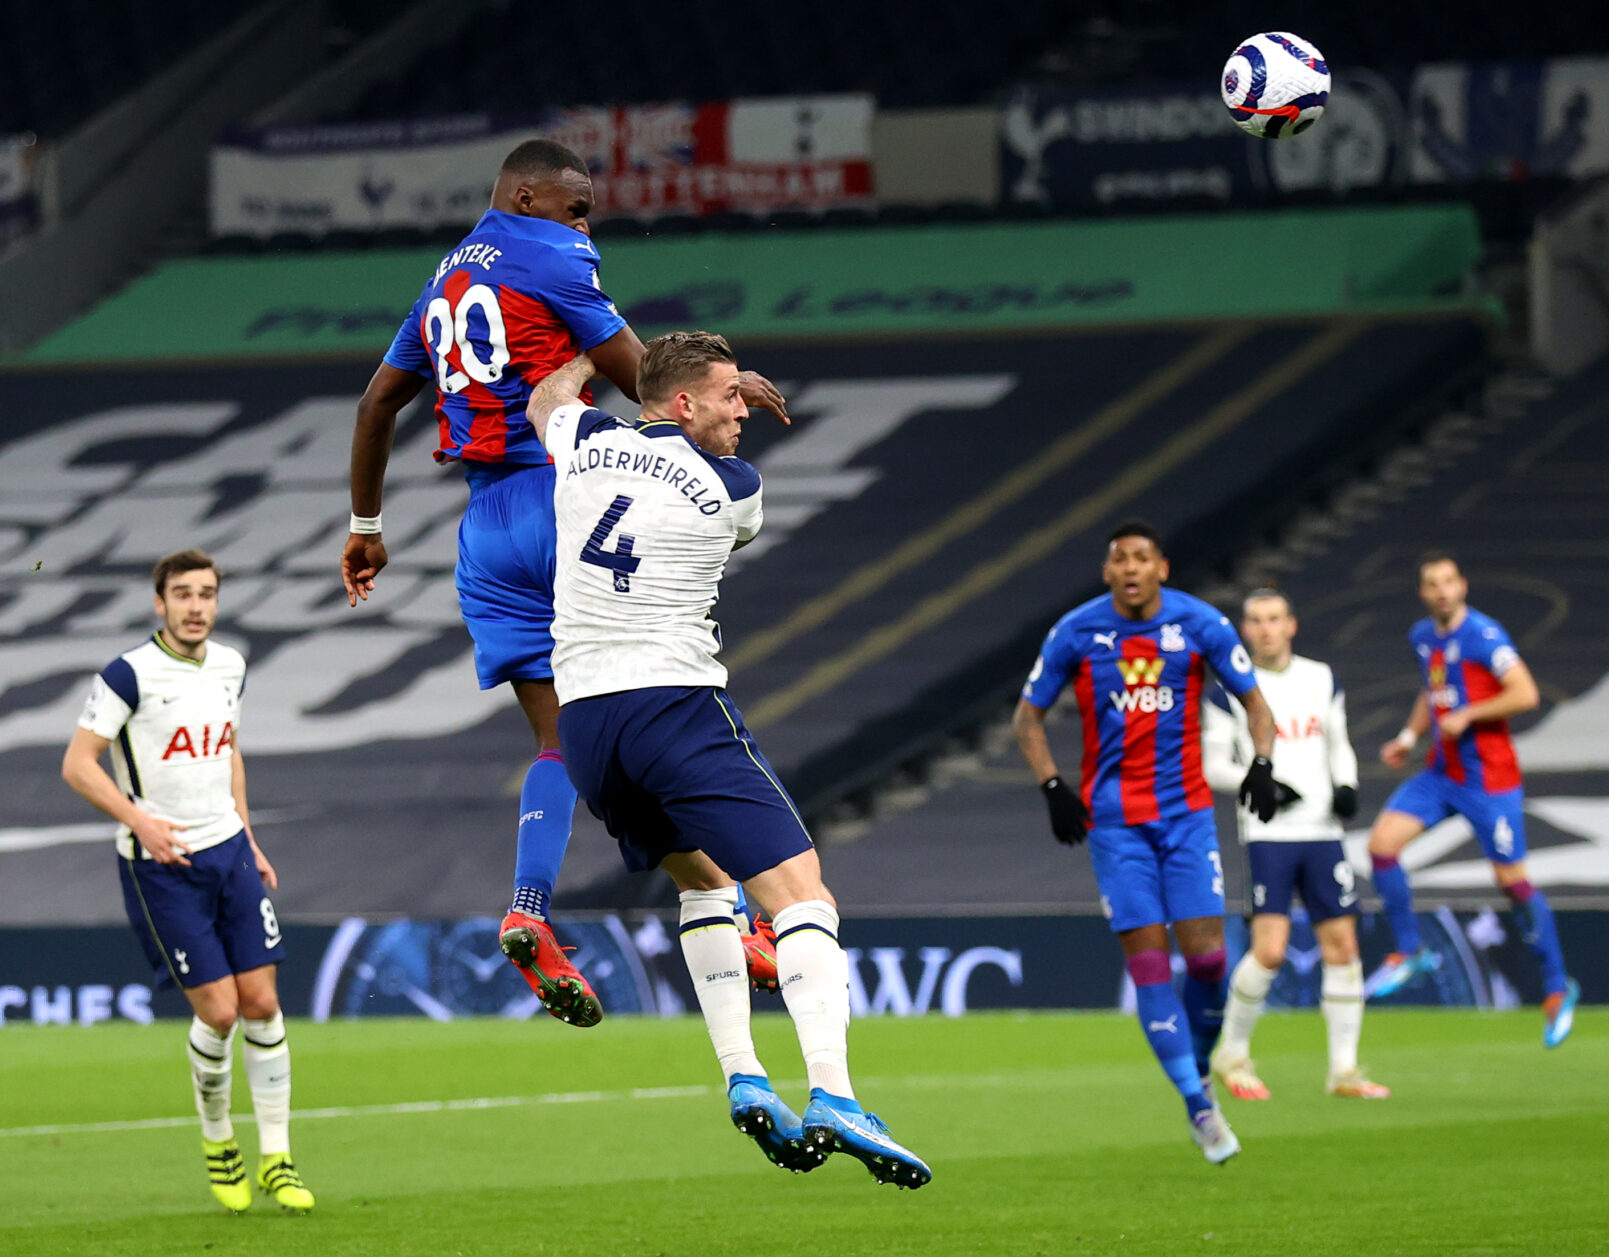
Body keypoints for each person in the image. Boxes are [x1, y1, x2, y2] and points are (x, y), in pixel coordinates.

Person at [340, 138, 788, 1026]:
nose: (585, 226)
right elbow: (639, 377)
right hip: (564, 499)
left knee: (563, 741)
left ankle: (532, 911)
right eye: (575, 207)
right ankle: (753, 909)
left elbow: (377, 403)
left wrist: (366, 527)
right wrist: (720, 389)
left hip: (485, 529)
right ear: (526, 195)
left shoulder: (441, 282)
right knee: (666, 689)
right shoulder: (549, 253)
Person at [524, 334, 930, 1189]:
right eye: (730, 397)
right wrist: (691, 404)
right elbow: (711, 493)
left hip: (586, 722)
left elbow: (545, 400)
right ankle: (835, 1093)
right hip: (673, 705)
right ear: (683, 404)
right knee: (802, 895)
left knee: (704, 884)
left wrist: (595, 357)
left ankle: (744, 1075)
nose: (744, 409)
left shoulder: (586, 441)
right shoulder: (734, 486)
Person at [1013, 522, 1281, 1165]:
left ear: (1162, 566)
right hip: (1115, 825)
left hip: (1187, 816)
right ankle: (1197, 1105)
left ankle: (1196, 1068)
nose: (1130, 568)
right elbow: (1027, 718)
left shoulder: (1202, 624)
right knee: (1151, 961)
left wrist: (1263, 764)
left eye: (1141, 558)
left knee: (1210, 961)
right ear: (1108, 572)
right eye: (1119, 560)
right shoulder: (1077, 631)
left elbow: (1257, 705)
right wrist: (1052, 786)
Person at [60, 550, 313, 1216]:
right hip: (163, 864)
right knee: (220, 1011)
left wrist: (249, 836)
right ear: (160, 603)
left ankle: (278, 1157)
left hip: (229, 850)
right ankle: (219, 1139)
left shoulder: (231, 665)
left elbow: (228, 751)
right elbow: (78, 764)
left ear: (216, 602)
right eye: (183, 594)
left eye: (206, 594)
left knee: (263, 1002)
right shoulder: (127, 674)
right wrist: (139, 821)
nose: (195, 606)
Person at [1365, 550, 1578, 1048]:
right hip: (1442, 773)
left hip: (1489, 780)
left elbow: (1525, 694)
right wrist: (1408, 736)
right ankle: (1411, 951)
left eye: (1448, 581)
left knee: (1512, 883)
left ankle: (1556, 987)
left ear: (1461, 585)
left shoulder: (1485, 635)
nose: (1442, 591)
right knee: (1381, 846)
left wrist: (1470, 714)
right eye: (1432, 584)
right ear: (1423, 593)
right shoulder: (1423, 637)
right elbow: (1431, 692)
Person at [1201, 589, 1385, 1101]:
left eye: (1274, 619)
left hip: (1323, 830)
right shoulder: (1228, 689)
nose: (1266, 629)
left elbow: (1338, 743)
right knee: (1270, 951)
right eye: (1256, 620)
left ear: (1291, 625)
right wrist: (1261, 783)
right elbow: (1212, 766)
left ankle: (1343, 1071)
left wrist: (1346, 785)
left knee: (1343, 945)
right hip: (1269, 833)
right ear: (1245, 629)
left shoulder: (1321, 678)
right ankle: (1231, 1052)